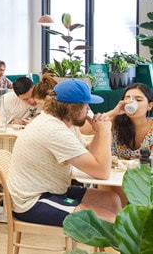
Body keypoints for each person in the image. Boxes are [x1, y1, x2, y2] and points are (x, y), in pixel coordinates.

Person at [8, 79, 122, 226]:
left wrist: (99, 132)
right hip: (33, 201)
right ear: (72, 108)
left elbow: (88, 154)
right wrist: (106, 131)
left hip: (53, 189)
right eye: (86, 105)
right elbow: (102, 172)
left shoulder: (64, 124)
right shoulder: (55, 131)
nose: (88, 109)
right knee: (108, 220)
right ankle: (114, 246)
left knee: (112, 200)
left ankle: (113, 248)